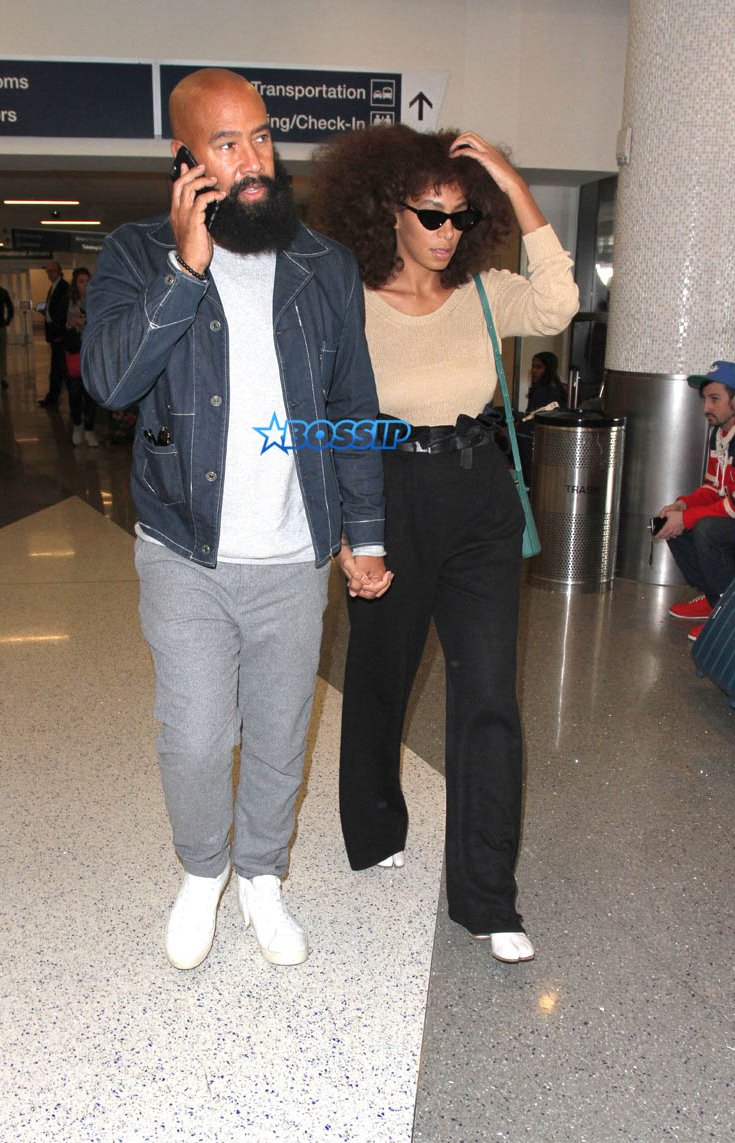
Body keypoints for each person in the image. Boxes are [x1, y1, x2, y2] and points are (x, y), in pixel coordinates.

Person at [82, 68, 389, 970]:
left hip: (294, 557)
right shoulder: (137, 253)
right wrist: (184, 270)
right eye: (227, 143)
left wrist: (364, 533)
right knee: (197, 734)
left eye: (261, 135)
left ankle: (261, 876)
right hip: (185, 548)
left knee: (281, 731)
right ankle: (202, 871)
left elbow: (350, 406)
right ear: (186, 159)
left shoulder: (324, 264)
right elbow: (110, 380)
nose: (254, 159)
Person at [311, 124, 579, 963]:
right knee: (380, 678)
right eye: (431, 214)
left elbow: (560, 300)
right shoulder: (349, 300)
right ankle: (373, 827)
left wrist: (511, 179)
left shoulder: (486, 293)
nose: (447, 232)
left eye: (462, 216)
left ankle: (488, 895)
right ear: (388, 209)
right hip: (387, 496)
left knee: (490, 692)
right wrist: (347, 537)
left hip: (478, 496)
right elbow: (328, 426)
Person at [656, 361, 735, 641]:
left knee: (706, 529)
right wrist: (681, 506)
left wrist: (688, 518)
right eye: (705, 399)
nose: (706, 408)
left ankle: (728, 615)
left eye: (715, 399)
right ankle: (715, 599)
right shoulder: (720, 434)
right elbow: (714, 488)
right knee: (669, 521)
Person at [65, 267, 98, 447]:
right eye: (81, 281)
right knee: (75, 393)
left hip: (92, 352)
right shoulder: (70, 303)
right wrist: (72, 323)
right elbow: (60, 325)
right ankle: (77, 424)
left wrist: (87, 321)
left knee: (90, 393)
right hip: (75, 351)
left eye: (87, 281)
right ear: (75, 284)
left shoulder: (96, 300)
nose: (85, 285)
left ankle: (89, 428)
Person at [38, 260, 69, 407]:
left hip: (60, 334)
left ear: (59, 271)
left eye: (52, 271)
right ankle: (52, 396)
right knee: (57, 367)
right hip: (54, 333)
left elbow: (62, 311)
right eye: (48, 271)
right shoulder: (53, 287)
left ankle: (53, 397)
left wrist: (58, 329)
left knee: (59, 368)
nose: (49, 274)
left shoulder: (63, 287)